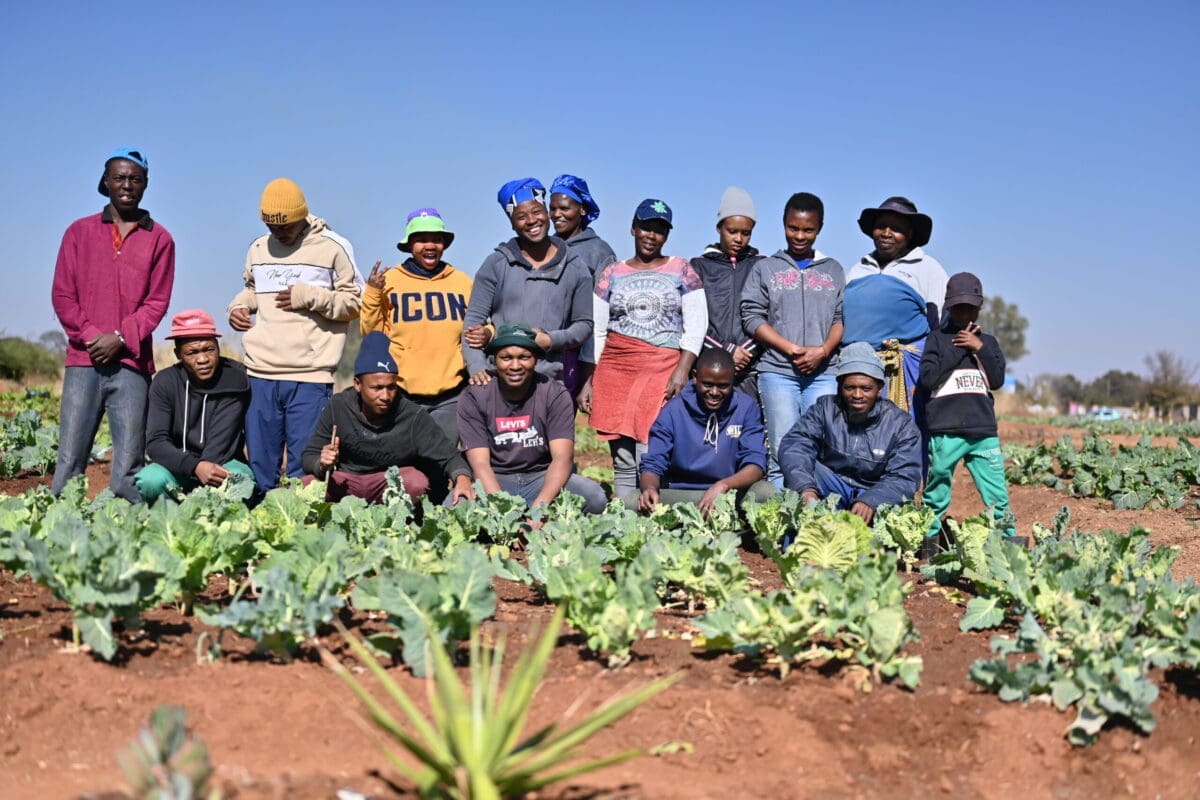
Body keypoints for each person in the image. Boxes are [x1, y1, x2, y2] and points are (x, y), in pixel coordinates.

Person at [50, 147, 175, 502]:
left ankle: (130, 530)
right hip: (83, 361)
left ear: (146, 184)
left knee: (128, 469)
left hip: (132, 364)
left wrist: (121, 338)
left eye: (135, 179)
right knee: (69, 460)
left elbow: (156, 303)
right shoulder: (79, 232)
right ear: (105, 182)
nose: (127, 185)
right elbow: (63, 295)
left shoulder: (160, 239)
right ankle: (61, 526)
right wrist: (92, 337)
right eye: (119, 178)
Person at [227, 178, 364, 494]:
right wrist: (238, 307)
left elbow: (355, 302)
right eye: (271, 227)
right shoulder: (258, 248)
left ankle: (300, 521)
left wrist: (309, 296)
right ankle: (262, 519)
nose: (278, 233)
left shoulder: (333, 247)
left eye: (285, 226)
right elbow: (252, 291)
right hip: (261, 372)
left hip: (310, 375)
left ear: (301, 215)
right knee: (261, 465)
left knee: (305, 467)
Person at [580, 199, 708, 499]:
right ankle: (626, 513)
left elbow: (696, 325)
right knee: (622, 453)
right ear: (633, 228)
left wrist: (682, 370)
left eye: (660, 230)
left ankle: (651, 511)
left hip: (662, 367)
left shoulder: (682, 269)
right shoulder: (612, 272)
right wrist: (589, 380)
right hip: (616, 368)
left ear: (667, 235)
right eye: (646, 228)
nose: (652, 236)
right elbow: (598, 329)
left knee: (650, 447)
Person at [740, 192, 845, 487]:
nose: (799, 236)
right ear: (783, 224)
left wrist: (823, 350)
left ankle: (814, 514)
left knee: (819, 449)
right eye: (793, 228)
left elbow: (840, 319)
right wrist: (791, 349)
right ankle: (779, 516)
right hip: (777, 372)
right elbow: (752, 317)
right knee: (781, 450)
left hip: (823, 374)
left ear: (819, 228)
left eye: (808, 230)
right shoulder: (766, 268)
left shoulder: (833, 270)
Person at [300, 332, 474, 505]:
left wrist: (463, 479)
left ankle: (404, 520)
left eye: (391, 387)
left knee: (416, 481)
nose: (385, 396)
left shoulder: (411, 415)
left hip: (389, 486)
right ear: (357, 385)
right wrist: (322, 463)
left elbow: (449, 456)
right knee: (306, 485)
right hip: (346, 482)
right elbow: (309, 456)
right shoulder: (339, 406)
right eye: (377, 388)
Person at [457, 324, 606, 514]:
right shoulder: (475, 396)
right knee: (453, 508)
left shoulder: (554, 393)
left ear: (535, 359)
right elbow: (481, 465)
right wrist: (504, 514)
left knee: (594, 497)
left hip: (541, 477)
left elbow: (562, 458)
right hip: (495, 477)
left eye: (524, 357)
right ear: (494, 360)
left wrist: (538, 511)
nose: (515, 366)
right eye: (506, 358)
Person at [461, 178, 593, 388]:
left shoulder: (575, 266)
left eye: (536, 212)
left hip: (550, 383)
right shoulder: (496, 264)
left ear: (547, 213)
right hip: (500, 382)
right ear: (512, 223)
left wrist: (551, 340)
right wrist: (477, 367)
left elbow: (584, 324)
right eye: (521, 217)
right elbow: (473, 322)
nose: (531, 221)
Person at [916, 272, 1016, 541]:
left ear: (979, 307)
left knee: (996, 492)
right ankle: (928, 542)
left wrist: (979, 348)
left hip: (982, 432)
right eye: (958, 308)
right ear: (949, 307)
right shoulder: (937, 340)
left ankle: (1008, 540)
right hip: (945, 431)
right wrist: (961, 348)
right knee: (936, 491)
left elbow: (996, 380)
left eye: (970, 308)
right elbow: (928, 379)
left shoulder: (988, 343)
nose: (964, 314)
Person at [778, 342, 922, 524]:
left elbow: (905, 475)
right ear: (840, 387)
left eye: (866, 389)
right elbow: (796, 445)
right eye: (850, 387)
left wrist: (872, 500)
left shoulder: (901, 424)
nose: (857, 395)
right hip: (831, 486)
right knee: (804, 470)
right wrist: (805, 488)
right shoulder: (824, 409)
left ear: (879, 389)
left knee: (891, 525)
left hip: (872, 491)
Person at [360, 208, 471, 443]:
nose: (430, 246)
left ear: (444, 244)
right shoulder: (390, 281)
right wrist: (372, 293)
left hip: (451, 396)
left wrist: (487, 332)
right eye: (421, 240)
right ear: (410, 245)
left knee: (441, 458)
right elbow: (371, 335)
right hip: (403, 395)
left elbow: (480, 325)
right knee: (404, 460)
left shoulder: (461, 282)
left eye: (436, 239)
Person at [631, 348, 773, 514]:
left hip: (728, 494)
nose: (714, 392)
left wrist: (724, 486)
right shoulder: (674, 410)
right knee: (631, 502)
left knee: (765, 493)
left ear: (733, 380)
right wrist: (649, 488)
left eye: (723, 386)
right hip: (682, 495)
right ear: (695, 377)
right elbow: (653, 462)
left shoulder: (746, 408)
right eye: (707, 384)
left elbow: (755, 463)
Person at [843, 196, 948, 415]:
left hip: (904, 371)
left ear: (910, 234)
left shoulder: (927, 268)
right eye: (881, 226)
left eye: (896, 228)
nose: (886, 233)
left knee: (903, 428)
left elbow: (939, 324)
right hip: (857, 370)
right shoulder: (857, 269)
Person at [134, 310, 252, 503]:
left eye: (208, 349)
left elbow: (221, 442)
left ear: (218, 347)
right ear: (178, 354)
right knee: (150, 481)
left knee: (241, 480)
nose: (203, 359)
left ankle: (218, 517)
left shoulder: (235, 377)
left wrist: (206, 470)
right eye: (192, 353)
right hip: (178, 464)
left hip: (223, 463)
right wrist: (195, 466)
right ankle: (173, 516)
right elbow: (156, 442)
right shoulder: (165, 382)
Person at [690, 186, 765, 398]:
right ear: (719, 228)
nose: (739, 239)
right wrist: (727, 350)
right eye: (732, 231)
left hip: (749, 371)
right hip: (709, 370)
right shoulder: (698, 267)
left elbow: (770, 316)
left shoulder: (762, 266)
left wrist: (747, 351)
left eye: (746, 233)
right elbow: (693, 320)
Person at [549, 174, 618, 396]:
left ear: (582, 210)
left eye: (564, 208)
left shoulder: (599, 252)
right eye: (552, 209)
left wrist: (590, 368)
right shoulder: (544, 248)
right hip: (545, 346)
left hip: (578, 353)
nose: (556, 215)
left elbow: (604, 312)